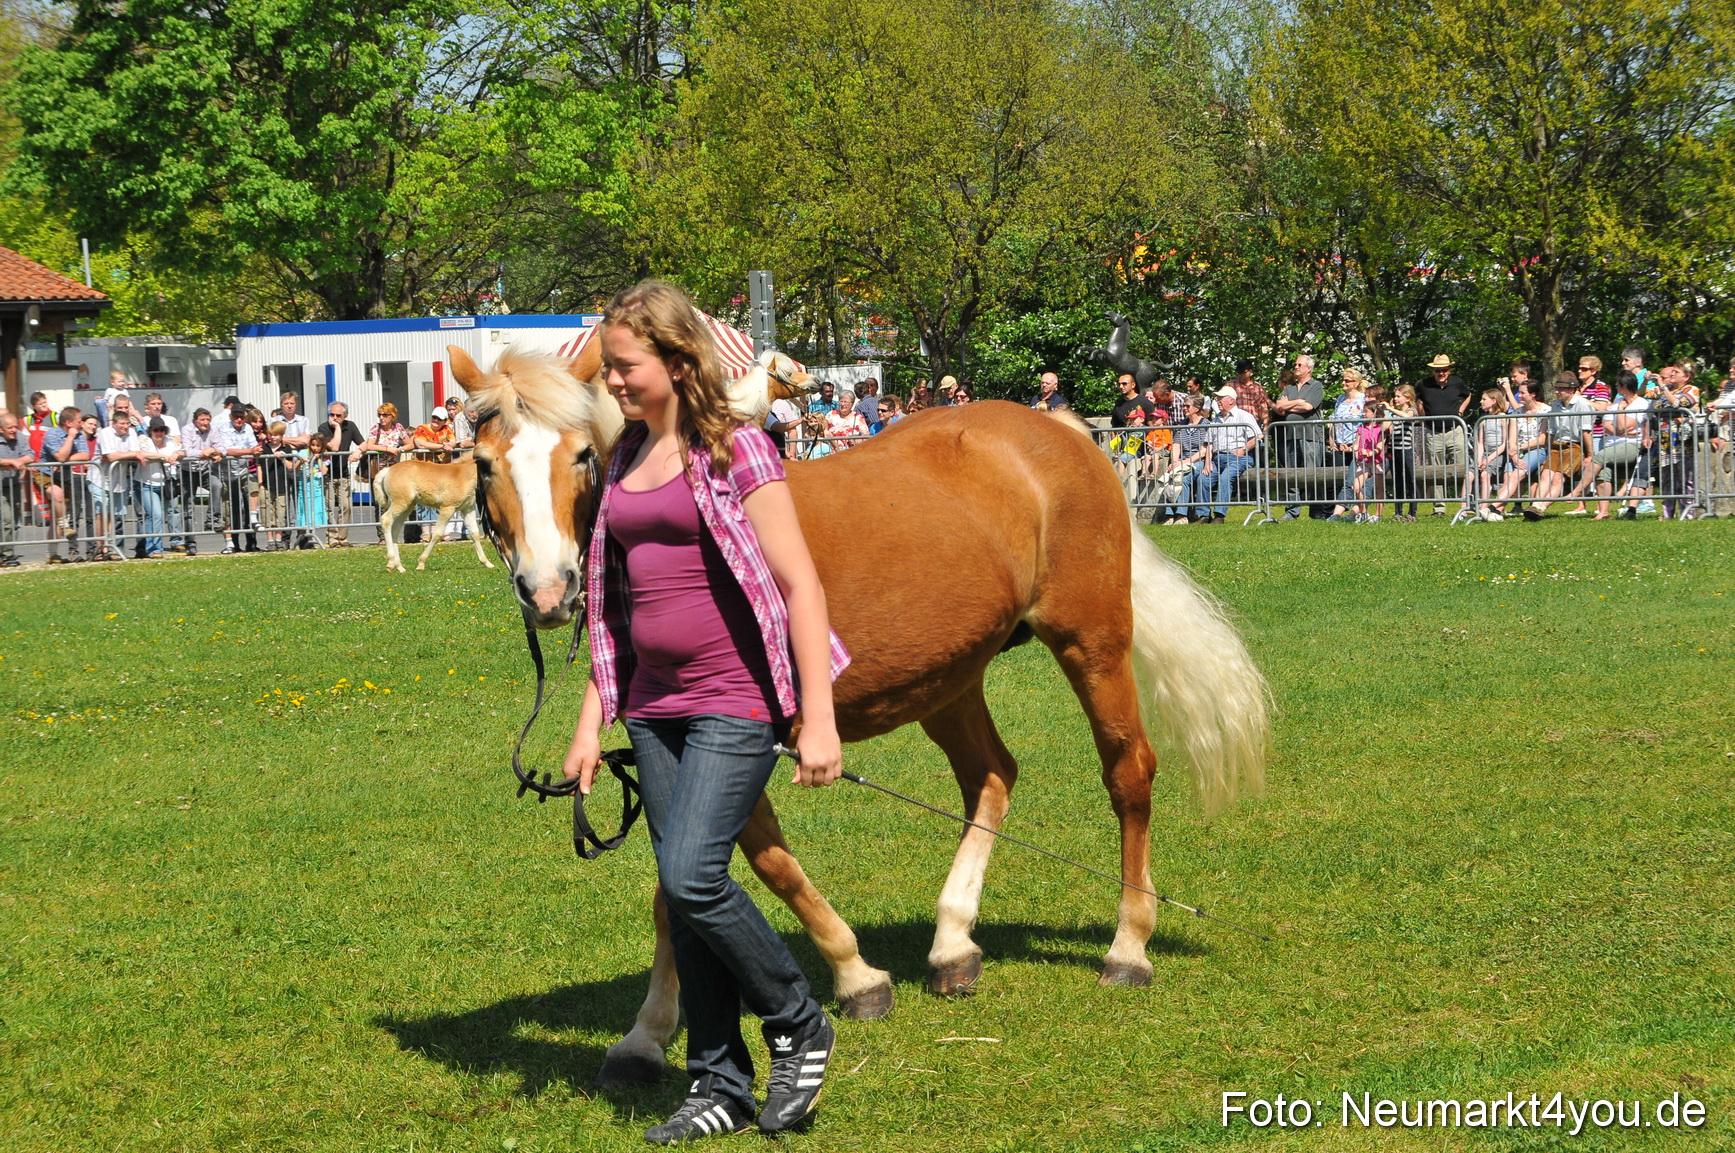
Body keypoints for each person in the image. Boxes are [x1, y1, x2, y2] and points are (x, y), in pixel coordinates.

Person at [561, 280, 844, 1143]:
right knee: (685, 904)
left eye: (622, 365)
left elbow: (799, 585)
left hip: (734, 698)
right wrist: (590, 719)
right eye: (608, 366)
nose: (610, 380)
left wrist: (819, 715)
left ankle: (798, 1018)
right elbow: (608, 606)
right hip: (652, 705)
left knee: (691, 875)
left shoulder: (739, 452)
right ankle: (718, 1080)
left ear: (677, 361)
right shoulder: (625, 459)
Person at [1270, 355, 1325, 518]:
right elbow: (1279, 407)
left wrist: (1290, 404)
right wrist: (1298, 401)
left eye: (1299, 364)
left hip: (1310, 436)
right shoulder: (1289, 388)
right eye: (1295, 364)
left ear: (1309, 368)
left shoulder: (1316, 386)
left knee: (1312, 474)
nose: (1296, 367)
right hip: (1290, 435)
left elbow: (1309, 406)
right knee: (1291, 475)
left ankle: (1316, 511)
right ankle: (1292, 510)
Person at [1417, 354, 1471, 514]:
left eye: (1444, 370)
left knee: (1462, 467)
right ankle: (1439, 508)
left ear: (1449, 371)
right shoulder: (1423, 384)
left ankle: (1466, 504)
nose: (1441, 373)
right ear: (1433, 371)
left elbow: (1468, 395)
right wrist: (1423, 417)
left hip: (1455, 430)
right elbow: (1419, 401)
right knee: (1435, 471)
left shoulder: (1457, 382)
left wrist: (1460, 411)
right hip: (1433, 432)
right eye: (1437, 370)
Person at [1492, 379, 1550, 515]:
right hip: (1517, 451)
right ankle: (1498, 511)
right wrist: (1515, 455)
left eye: (1523, 393)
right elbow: (1512, 439)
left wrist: (1520, 447)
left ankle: (1492, 507)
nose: (1519, 395)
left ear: (1533, 394)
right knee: (1507, 476)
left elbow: (1542, 439)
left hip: (1537, 450)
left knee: (1515, 475)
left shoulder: (1546, 411)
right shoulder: (1516, 413)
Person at [95, 408, 146, 561]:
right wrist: (132, 454)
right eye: (122, 424)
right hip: (99, 478)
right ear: (114, 424)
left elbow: (136, 452)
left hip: (119, 480)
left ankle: (111, 547)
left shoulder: (131, 433)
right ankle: (100, 549)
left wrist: (128, 455)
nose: (125, 426)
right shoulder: (105, 432)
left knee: (116, 515)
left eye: (127, 423)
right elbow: (111, 456)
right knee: (102, 514)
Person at [1206, 385, 1260, 523]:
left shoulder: (1244, 415)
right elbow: (1209, 444)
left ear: (1231, 400)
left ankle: (1219, 515)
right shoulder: (1215, 419)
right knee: (1203, 478)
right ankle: (1204, 515)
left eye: (1220, 398)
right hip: (1217, 458)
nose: (1217, 401)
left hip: (1239, 458)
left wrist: (1242, 450)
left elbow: (1257, 436)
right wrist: (1207, 463)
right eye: (1217, 398)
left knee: (1225, 478)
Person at [215, 404, 261, 553]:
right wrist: (249, 451)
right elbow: (227, 451)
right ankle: (231, 544)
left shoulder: (247, 428)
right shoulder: (223, 429)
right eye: (236, 416)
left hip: (242, 470)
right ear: (230, 417)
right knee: (229, 509)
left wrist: (256, 450)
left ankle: (254, 524)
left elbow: (254, 446)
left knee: (253, 487)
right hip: (226, 472)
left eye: (241, 416)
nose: (239, 419)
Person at [317, 401, 364, 545]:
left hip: (343, 473)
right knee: (329, 507)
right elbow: (334, 447)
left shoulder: (350, 426)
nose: (335, 417)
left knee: (346, 506)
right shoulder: (323, 428)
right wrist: (337, 427)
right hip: (327, 474)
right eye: (332, 414)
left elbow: (363, 443)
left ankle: (342, 538)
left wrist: (359, 451)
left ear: (345, 416)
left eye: (338, 415)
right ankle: (332, 538)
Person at [1324, 367, 1368, 521]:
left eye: (1347, 380)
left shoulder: (1363, 399)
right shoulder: (1340, 399)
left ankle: (1356, 512)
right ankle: (1336, 510)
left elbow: (1364, 423)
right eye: (1343, 380)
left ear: (1356, 383)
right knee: (1339, 478)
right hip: (1339, 444)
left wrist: (1355, 444)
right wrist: (1332, 440)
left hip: (1356, 445)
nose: (1343, 382)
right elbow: (1334, 421)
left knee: (1355, 479)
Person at [177, 407, 221, 554]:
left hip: (204, 469)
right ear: (195, 421)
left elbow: (221, 447)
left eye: (208, 419)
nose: (205, 422)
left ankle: (211, 519)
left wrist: (216, 452)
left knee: (217, 485)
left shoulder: (213, 430)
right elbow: (187, 450)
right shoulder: (187, 430)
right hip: (187, 470)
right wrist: (205, 452)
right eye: (202, 419)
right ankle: (190, 543)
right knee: (188, 507)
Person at [135, 417, 180, 557]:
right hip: (145, 484)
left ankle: (160, 546)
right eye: (156, 430)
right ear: (150, 431)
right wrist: (161, 456)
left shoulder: (170, 442)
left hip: (164, 484)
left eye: (162, 430)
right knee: (156, 515)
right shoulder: (144, 441)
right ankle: (154, 549)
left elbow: (183, 451)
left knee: (161, 515)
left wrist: (176, 454)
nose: (159, 433)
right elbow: (141, 453)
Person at [1164, 395, 1213, 525]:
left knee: (1184, 478)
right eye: (1184, 405)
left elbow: (1204, 450)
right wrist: (1174, 462)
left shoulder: (1206, 425)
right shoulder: (1182, 424)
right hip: (1182, 461)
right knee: (1170, 476)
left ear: (1196, 408)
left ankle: (1182, 514)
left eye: (1187, 406)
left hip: (1198, 461)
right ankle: (1170, 514)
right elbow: (1176, 445)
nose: (1184, 408)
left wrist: (1185, 462)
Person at [257, 421, 298, 549]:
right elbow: (259, 466)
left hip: (282, 485)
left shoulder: (286, 448)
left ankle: (279, 540)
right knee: (267, 514)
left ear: (281, 435)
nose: (273, 437)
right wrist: (260, 484)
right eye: (271, 435)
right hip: (266, 485)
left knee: (280, 514)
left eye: (276, 435)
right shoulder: (264, 448)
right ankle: (270, 541)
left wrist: (282, 458)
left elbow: (291, 466)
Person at [1471, 387, 1510, 519]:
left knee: (1485, 474)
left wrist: (1488, 459)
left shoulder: (1503, 418)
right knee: (1470, 474)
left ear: (1494, 401)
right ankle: (1464, 509)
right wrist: (1479, 458)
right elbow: (1480, 443)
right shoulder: (1483, 419)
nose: (1481, 402)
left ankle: (1483, 508)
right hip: (1485, 454)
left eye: (1484, 399)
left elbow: (1504, 444)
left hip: (1498, 454)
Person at [1348, 397, 1388, 523]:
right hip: (1363, 461)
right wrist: (1350, 448)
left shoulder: (1381, 428)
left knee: (1378, 488)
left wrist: (1372, 452)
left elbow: (1380, 446)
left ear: (1374, 412)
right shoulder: (1361, 428)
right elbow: (1357, 444)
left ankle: (1378, 515)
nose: (1364, 414)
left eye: (1366, 411)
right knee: (1356, 486)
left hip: (1377, 461)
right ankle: (1363, 511)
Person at [0, 413, 32, 567]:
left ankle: (4, 554)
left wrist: (18, 461)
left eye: (15, 427)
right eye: (9, 428)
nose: (13, 430)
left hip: (13, 484)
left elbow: (30, 455)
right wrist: (10, 461)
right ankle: (7, 556)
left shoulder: (19, 436)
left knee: (14, 521)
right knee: (6, 520)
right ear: (1, 429)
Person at [1386, 385, 1421, 521]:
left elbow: (1407, 417)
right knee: (1398, 481)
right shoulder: (1394, 412)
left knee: (1410, 480)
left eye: (1398, 396)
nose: (1395, 399)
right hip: (1395, 450)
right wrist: (1388, 413)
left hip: (1406, 450)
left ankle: (1412, 512)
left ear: (1408, 398)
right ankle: (1398, 512)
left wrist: (1391, 409)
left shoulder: (1411, 410)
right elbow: (1385, 426)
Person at [1230, 358, 1270, 426]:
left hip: (1254, 422)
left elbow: (1263, 407)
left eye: (1243, 373)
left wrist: (1265, 424)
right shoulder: (1230, 385)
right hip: (1235, 422)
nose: (1240, 375)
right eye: (1239, 373)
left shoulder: (1258, 388)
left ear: (1250, 372)